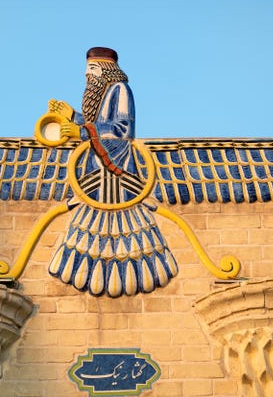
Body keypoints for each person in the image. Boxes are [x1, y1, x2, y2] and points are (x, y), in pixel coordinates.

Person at [48, 47, 178, 296]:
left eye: (93, 68)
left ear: (106, 69)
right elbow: (94, 124)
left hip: (117, 172)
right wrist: (72, 116)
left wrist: (82, 132)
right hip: (94, 174)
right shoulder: (100, 94)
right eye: (87, 69)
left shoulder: (119, 90)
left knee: (125, 229)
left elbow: (121, 129)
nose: (87, 74)